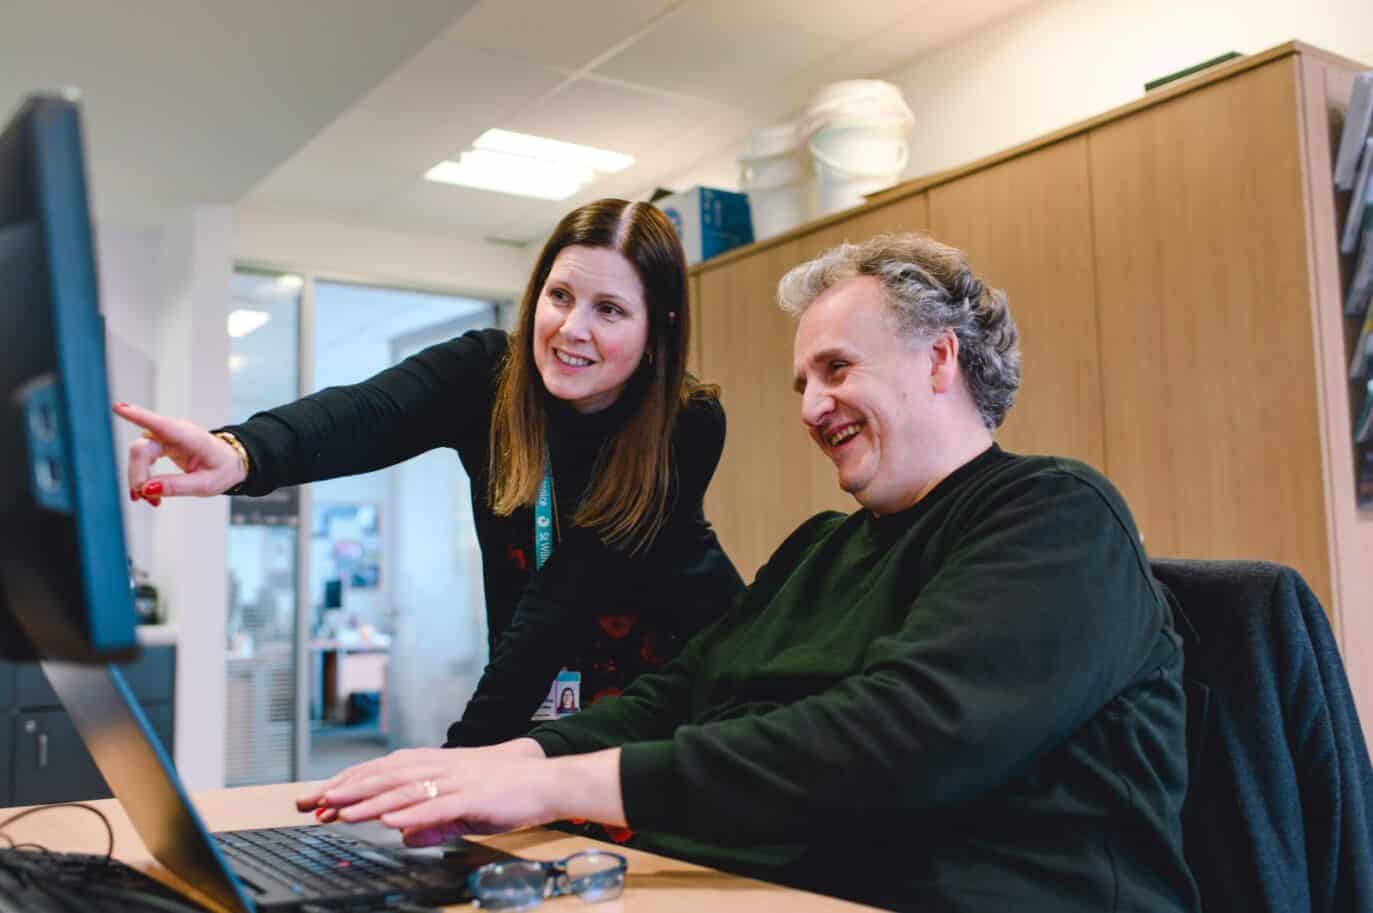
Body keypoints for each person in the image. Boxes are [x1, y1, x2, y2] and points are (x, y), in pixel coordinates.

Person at [297, 234, 1200, 913]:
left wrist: (551, 785)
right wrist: (503, 762)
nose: (811, 406)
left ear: (939, 359)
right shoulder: (821, 548)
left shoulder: (1054, 514)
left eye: (836, 368)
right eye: (800, 381)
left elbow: (900, 742)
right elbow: (677, 694)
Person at [115, 198, 744, 748]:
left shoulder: (686, 423)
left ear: (657, 327)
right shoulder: (488, 377)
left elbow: (567, 597)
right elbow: (367, 412)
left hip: (683, 705)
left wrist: (463, 760)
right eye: (560, 296)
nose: (571, 329)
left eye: (609, 309)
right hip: (541, 711)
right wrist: (243, 452)